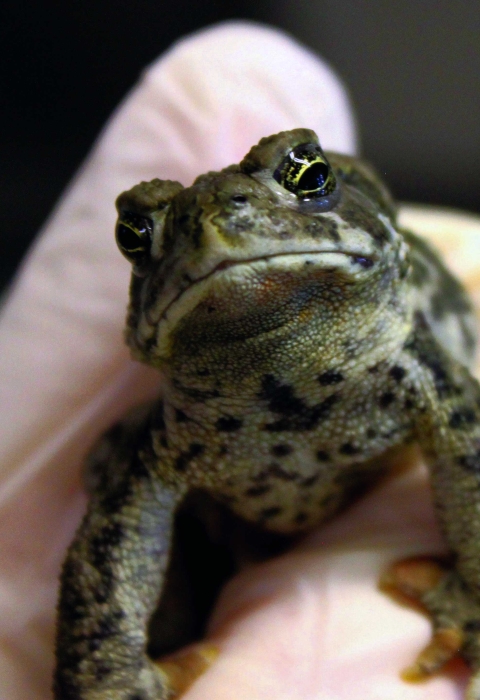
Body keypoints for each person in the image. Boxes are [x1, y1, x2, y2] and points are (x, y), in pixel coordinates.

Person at [0, 21, 478, 700]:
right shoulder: (178, 432)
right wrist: (106, 680)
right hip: (231, 532)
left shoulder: (400, 345)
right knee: (112, 458)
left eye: (304, 178)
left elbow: (469, 436)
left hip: (369, 426)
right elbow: (116, 539)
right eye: (143, 238)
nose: (222, 232)